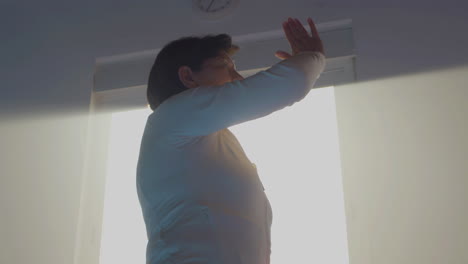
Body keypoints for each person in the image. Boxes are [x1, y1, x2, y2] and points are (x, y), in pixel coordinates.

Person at [136, 17, 326, 264]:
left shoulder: (208, 140)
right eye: (226, 66)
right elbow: (293, 81)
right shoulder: (171, 117)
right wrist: (314, 56)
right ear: (188, 76)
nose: (237, 78)